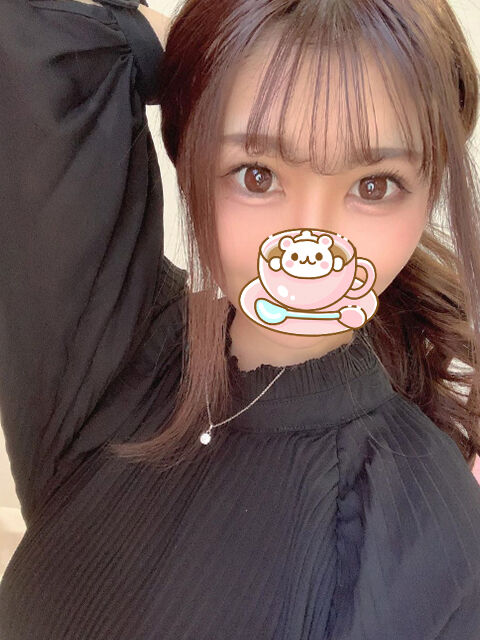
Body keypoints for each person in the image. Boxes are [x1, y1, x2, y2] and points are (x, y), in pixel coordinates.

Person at [1, 0, 480, 637]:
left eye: (374, 186)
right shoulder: (112, 346)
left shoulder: (434, 533)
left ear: (428, 195)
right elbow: (26, 42)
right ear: (189, 166)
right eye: (256, 175)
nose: (312, 236)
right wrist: (184, 51)